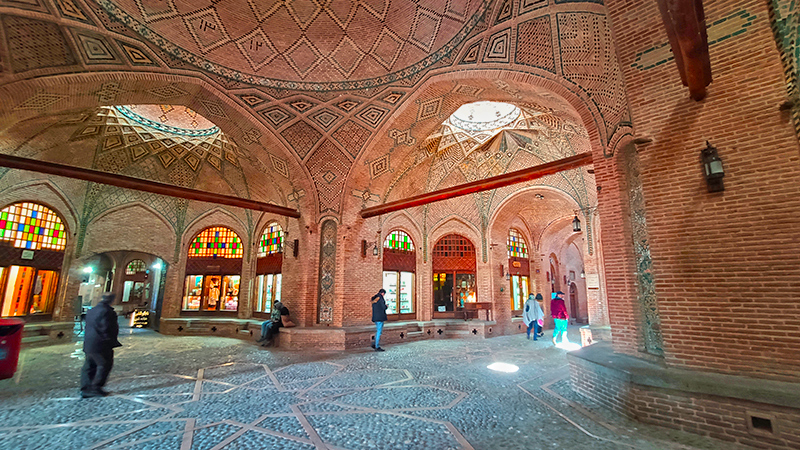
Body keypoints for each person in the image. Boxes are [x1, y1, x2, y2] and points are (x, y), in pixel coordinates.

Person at [80, 292, 121, 398]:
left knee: (89, 365)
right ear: (111, 300)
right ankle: (95, 387)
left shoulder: (92, 310)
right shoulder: (107, 312)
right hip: (101, 344)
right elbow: (106, 327)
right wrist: (109, 340)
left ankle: (85, 388)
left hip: (89, 343)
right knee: (104, 365)